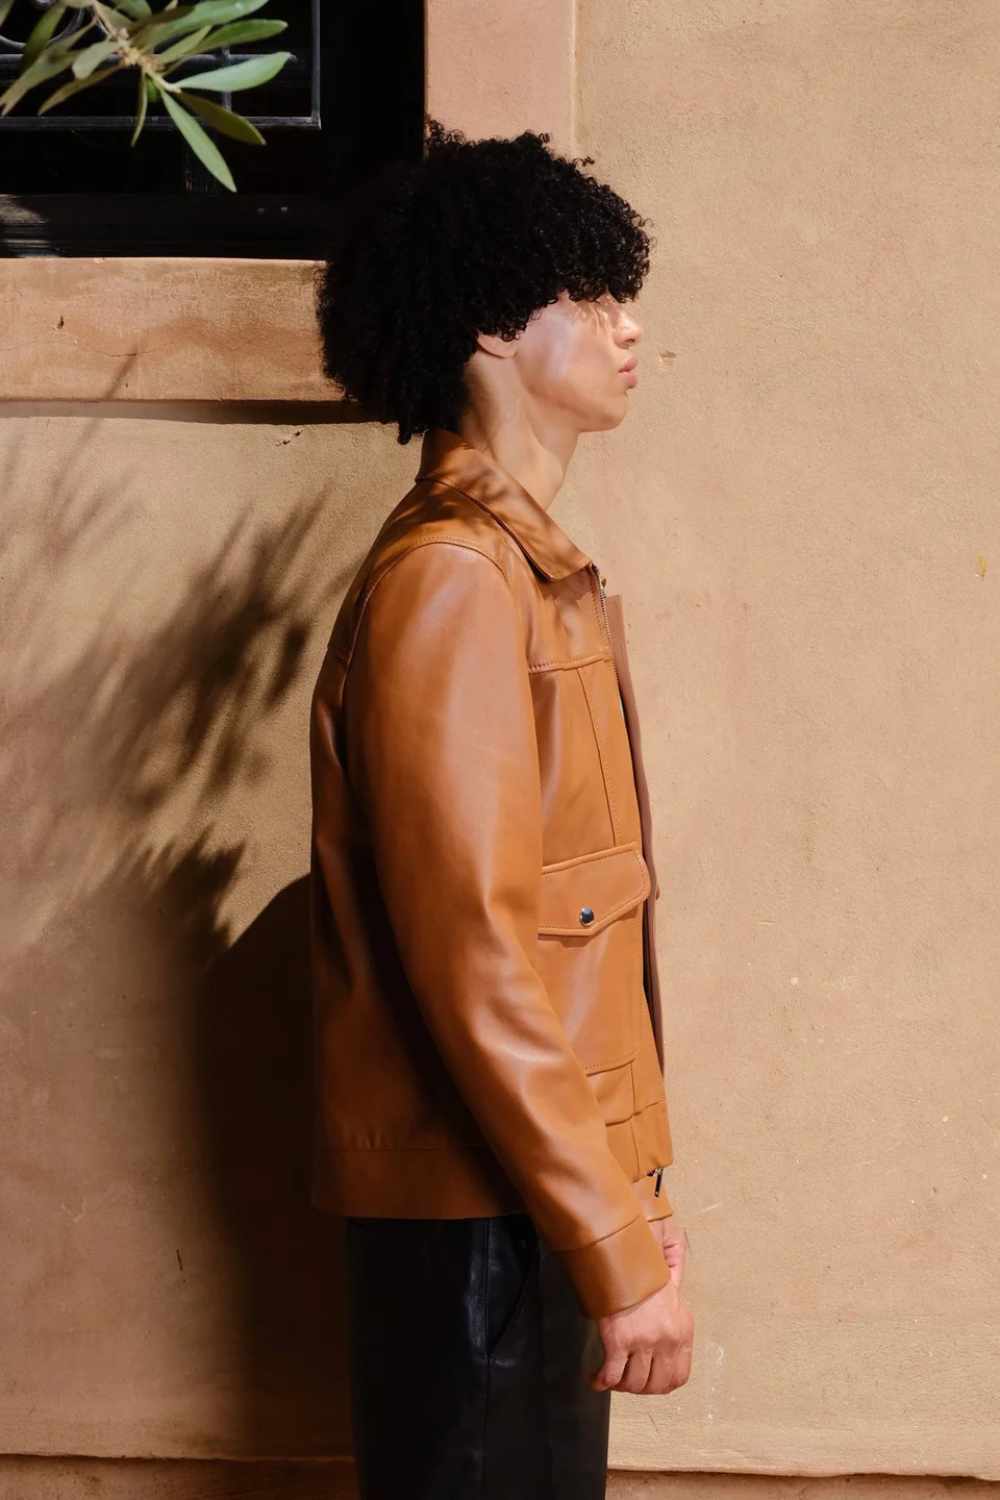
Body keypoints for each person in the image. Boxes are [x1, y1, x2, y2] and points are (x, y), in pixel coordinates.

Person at [309, 117, 694, 1499]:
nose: (625, 325)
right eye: (587, 294)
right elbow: (477, 957)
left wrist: (633, 1210)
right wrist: (607, 1233)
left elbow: (574, 946)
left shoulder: (527, 576)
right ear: (485, 320)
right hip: (475, 1230)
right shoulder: (456, 585)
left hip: (527, 1210)